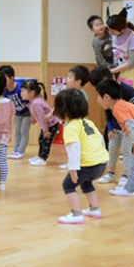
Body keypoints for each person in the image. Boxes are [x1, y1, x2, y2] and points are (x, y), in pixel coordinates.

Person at [53, 89, 109, 224]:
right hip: (101, 163)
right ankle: (94, 209)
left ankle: (76, 213)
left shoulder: (71, 127)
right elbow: (100, 139)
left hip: (87, 164)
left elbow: (74, 149)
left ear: (63, 111)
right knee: (86, 182)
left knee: (68, 185)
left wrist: (72, 169)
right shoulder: (88, 122)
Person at [96, 79, 134, 196]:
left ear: (106, 97)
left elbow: (130, 124)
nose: (97, 100)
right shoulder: (122, 105)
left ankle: (129, 190)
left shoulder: (118, 108)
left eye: (98, 96)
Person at [89, 65, 134, 185]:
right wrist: (110, 127)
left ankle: (126, 175)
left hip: (128, 129)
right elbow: (107, 111)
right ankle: (111, 173)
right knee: (111, 149)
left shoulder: (127, 90)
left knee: (126, 151)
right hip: (115, 129)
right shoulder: (105, 94)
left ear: (113, 77)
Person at [20, 79, 60, 166]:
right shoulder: (33, 101)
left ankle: (43, 159)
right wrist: (34, 120)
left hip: (51, 124)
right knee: (41, 140)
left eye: (23, 91)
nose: (21, 93)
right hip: (46, 125)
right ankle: (40, 156)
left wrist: (45, 130)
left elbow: (42, 118)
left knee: (46, 141)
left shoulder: (36, 103)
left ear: (31, 93)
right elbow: (37, 115)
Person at [107, 7, 134, 99]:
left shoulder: (133, 37)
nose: (110, 33)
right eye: (109, 30)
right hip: (119, 74)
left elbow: (132, 62)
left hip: (130, 75)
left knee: (131, 101)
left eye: (112, 31)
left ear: (122, 29)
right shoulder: (114, 35)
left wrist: (112, 71)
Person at [0, 65, 31, 160]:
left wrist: (34, 116)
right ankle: (15, 150)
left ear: (12, 78)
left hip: (27, 113)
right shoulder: (5, 91)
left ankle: (20, 151)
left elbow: (30, 102)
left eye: (5, 79)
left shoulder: (20, 88)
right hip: (18, 113)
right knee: (17, 132)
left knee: (24, 132)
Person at [0, 71, 15, 191]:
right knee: (2, 160)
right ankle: (2, 183)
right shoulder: (9, 102)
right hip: (4, 137)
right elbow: (11, 118)